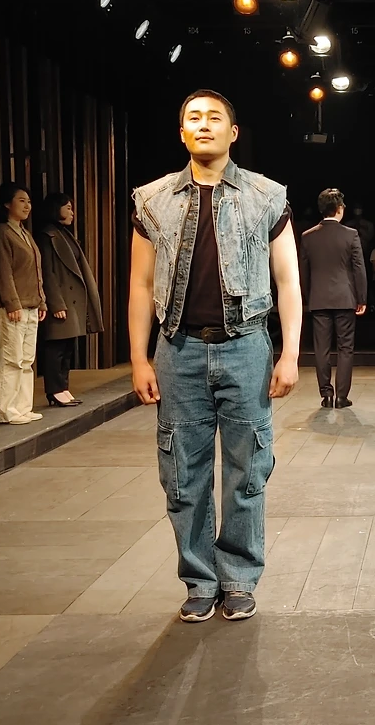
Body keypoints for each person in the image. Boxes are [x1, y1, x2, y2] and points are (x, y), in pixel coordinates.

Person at [129, 89, 301, 625]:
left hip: (246, 347)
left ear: (233, 131)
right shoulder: (152, 200)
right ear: (182, 132)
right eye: (193, 118)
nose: (204, 125)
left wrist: (291, 353)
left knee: (248, 470)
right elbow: (140, 285)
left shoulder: (266, 196)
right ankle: (200, 580)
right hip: (177, 350)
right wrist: (139, 358)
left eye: (214, 117)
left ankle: (239, 579)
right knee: (183, 474)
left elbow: (288, 280)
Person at [300, 188, 367, 408]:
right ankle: (341, 397)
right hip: (345, 298)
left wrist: (307, 296)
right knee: (345, 347)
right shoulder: (351, 234)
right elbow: (359, 269)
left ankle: (326, 395)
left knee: (321, 348)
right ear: (339, 209)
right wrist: (362, 298)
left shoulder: (308, 236)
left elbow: (303, 272)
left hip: (318, 299)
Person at [37, 192, 104, 407]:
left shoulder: (64, 233)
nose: (71, 212)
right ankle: (54, 389)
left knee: (67, 347)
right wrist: (55, 303)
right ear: (55, 209)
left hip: (71, 299)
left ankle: (63, 387)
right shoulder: (47, 235)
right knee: (56, 347)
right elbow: (47, 273)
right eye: (67, 207)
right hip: (61, 299)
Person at [0, 182, 46, 425]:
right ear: (6, 204)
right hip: (13, 307)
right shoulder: (1, 233)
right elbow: (3, 272)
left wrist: (42, 301)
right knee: (11, 358)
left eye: (29, 201)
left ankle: (22, 407)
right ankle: (6, 410)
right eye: (21, 200)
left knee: (26, 360)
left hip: (31, 304)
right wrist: (11, 303)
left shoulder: (24, 232)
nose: (27, 205)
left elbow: (35, 271)